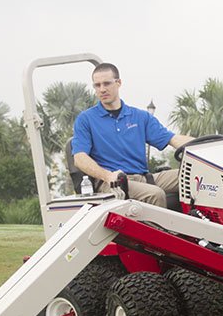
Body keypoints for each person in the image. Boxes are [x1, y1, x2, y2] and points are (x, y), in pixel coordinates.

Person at [72, 62, 194, 207]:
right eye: (97, 85)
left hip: (144, 178)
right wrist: (108, 176)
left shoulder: (139, 116)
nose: (102, 89)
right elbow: (79, 158)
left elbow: (172, 139)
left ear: (118, 83)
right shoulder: (86, 119)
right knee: (155, 194)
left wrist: (207, 148)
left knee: (197, 177)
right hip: (112, 183)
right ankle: (156, 230)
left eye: (106, 83)